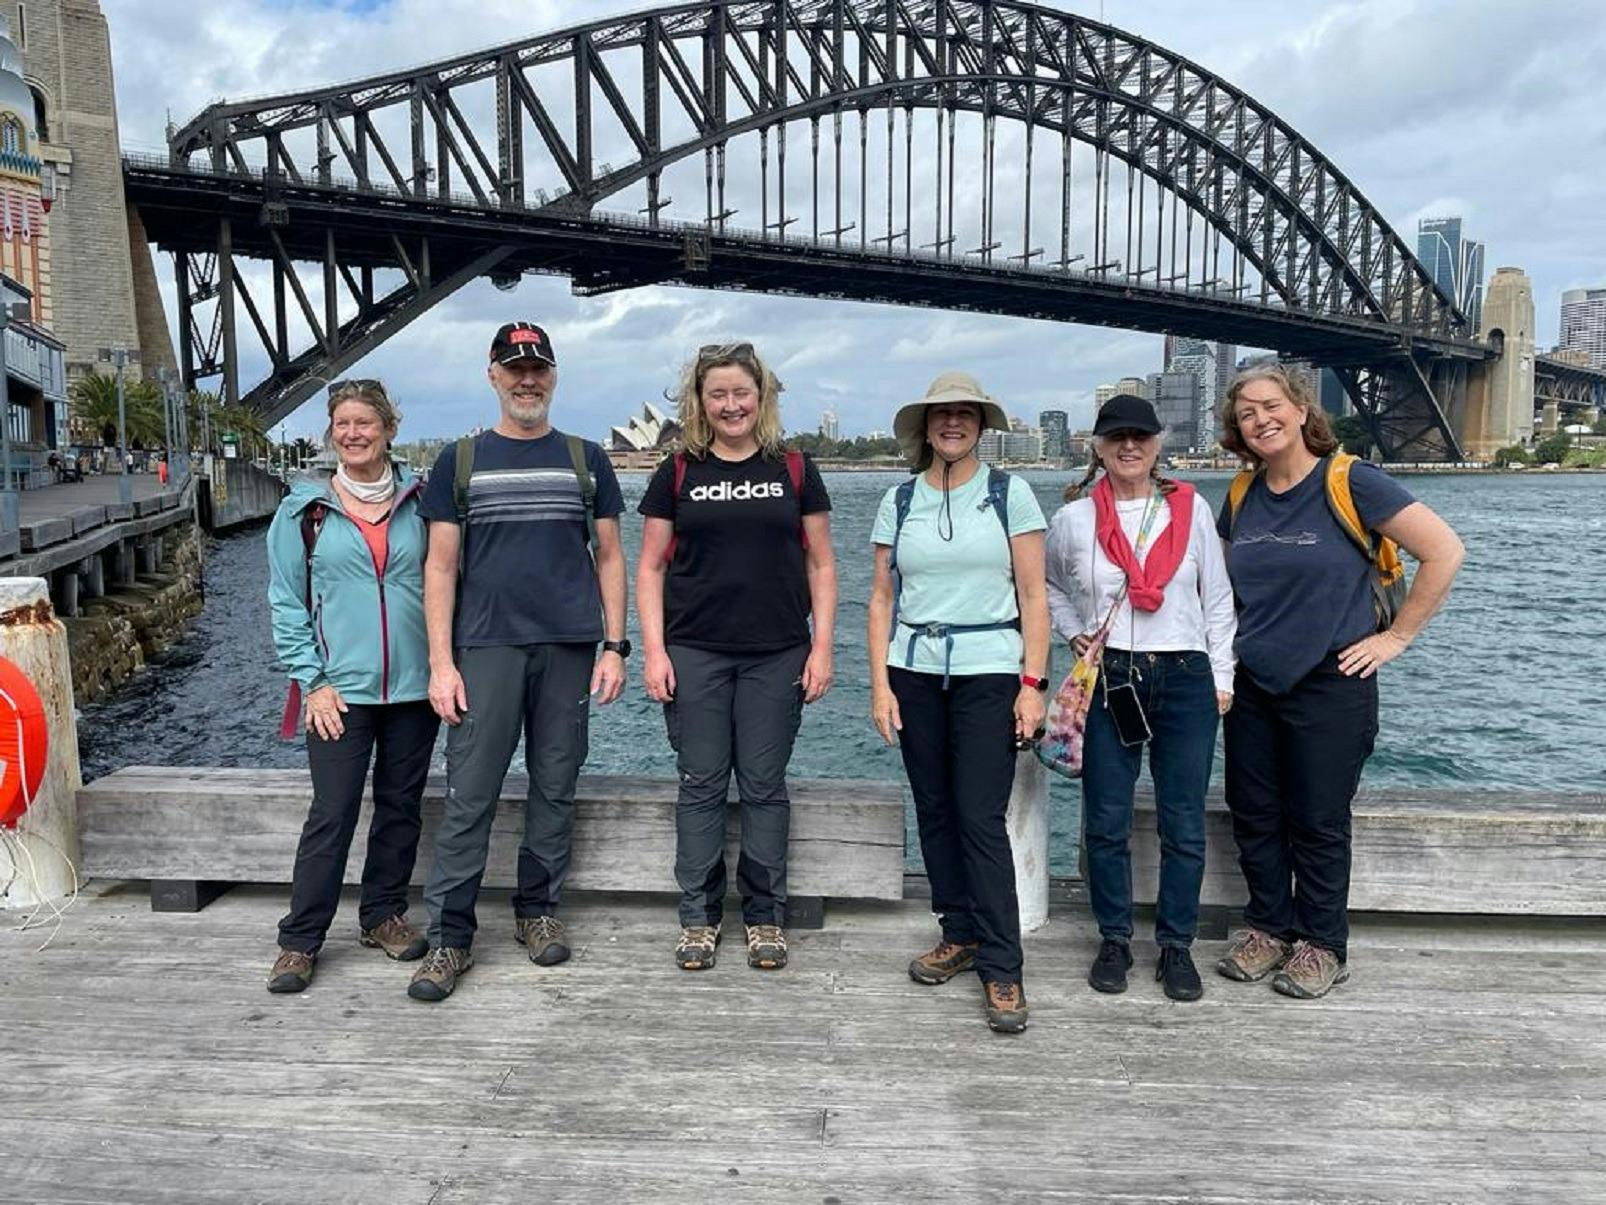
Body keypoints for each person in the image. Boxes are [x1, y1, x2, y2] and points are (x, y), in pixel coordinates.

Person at [1214, 363, 1464, 999]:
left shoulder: (1353, 481)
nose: (1260, 420)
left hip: (1332, 678)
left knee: (1318, 818)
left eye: (1271, 406)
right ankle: (1267, 928)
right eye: (1246, 414)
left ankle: (1322, 944)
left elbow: (1444, 550)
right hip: (1252, 681)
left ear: (1301, 411)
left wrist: (1397, 637)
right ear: (1237, 430)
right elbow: (1218, 586)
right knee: (1255, 811)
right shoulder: (1241, 494)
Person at [410, 322, 628, 1003]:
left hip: (567, 647)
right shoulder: (461, 460)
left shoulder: (586, 459)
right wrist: (441, 664)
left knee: (555, 785)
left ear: (553, 376)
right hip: (485, 648)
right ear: (493, 375)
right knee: (470, 793)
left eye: (537, 367)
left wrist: (616, 645)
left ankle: (537, 909)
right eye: (514, 367)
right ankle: (449, 936)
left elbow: (612, 556)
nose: (526, 378)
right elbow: (439, 566)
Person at [636, 342, 837, 973]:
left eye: (741, 393)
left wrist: (824, 645)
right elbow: (648, 566)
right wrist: (653, 651)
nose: (730, 405)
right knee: (699, 784)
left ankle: (764, 915)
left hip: (777, 652)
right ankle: (697, 917)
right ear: (700, 401)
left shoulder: (795, 468)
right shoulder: (676, 472)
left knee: (763, 787)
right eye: (717, 394)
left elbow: (823, 562)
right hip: (694, 650)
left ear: (762, 397)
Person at [866, 371, 1049, 1035]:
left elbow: (1033, 596)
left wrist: (1033, 685)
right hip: (914, 670)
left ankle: (1004, 964)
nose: (953, 424)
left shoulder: (1010, 493)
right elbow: (882, 598)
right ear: (926, 425)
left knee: (979, 815)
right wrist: (881, 685)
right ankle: (960, 931)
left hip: (988, 672)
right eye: (941, 415)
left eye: (964, 414)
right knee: (935, 811)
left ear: (980, 423)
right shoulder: (900, 498)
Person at [1044, 393, 1236, 1003]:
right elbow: (1047, 584)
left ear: (1159, 446)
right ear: (1097, 447)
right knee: (1105, 819)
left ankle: (1177, 946)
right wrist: (1074, 631)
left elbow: (1218, 599)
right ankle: (1115, 939)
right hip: (1111, 677)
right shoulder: (1073, 519)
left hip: (1185, 674)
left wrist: (1222, 677)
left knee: (1183, 820)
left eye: (1141, 436)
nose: (1130, 446)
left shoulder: (1191, 508)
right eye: (1116, 436)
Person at [264, 379, 438, 993]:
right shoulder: (303, 513)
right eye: (343, 424)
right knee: (331, 812)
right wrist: (312, 681)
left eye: (366, 422)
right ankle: (300, 940)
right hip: (339, 692)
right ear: (331, 433)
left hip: (416, 691)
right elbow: (287, 603)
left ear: (390, 428)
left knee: (400, 808)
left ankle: (382, 916)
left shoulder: (425, 504)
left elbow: (449, 584)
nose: (355, 433)